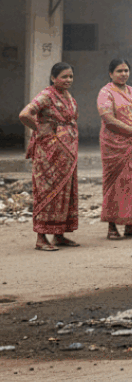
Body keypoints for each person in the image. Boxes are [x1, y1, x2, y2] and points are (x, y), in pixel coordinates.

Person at [19, 62, 80, 251]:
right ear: (53, 78)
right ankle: (41, 238)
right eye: (64, 76)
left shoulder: (68, 96)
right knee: (48, 192)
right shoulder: (46, 95)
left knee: (65, 192)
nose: (68, 80)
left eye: (70, 76)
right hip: (49, 154)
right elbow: (25, 114)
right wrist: (41, 131)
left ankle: (59, 234)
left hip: (67, 153)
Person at [98, 58, 132, 240]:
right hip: (115, 145)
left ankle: (130, 225)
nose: (123, 74)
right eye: (119, 71)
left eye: (126, 70)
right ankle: (112, 227)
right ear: (111, 73)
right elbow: (108, 118)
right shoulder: (106, 92)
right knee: (115, 184)